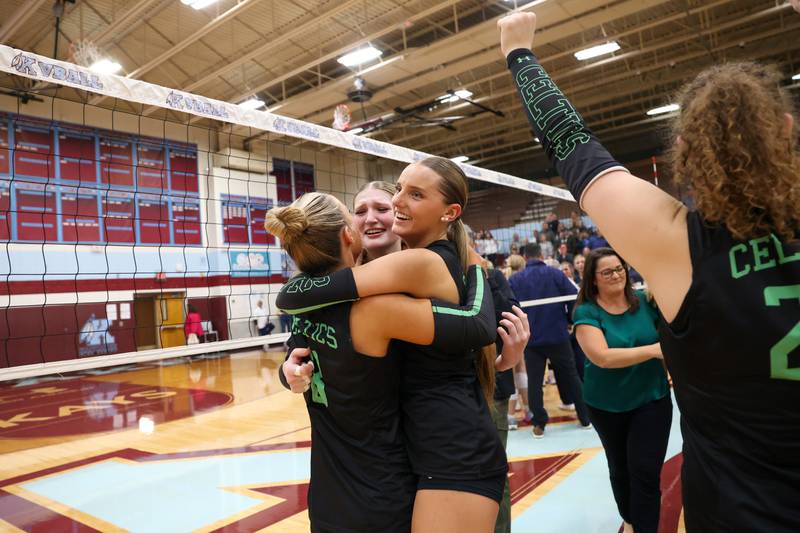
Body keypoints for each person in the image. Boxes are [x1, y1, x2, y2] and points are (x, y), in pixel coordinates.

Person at [499, 12, 799, 531]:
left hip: (741, 513)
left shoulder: (677, 245)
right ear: (789, 129)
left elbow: (571, 145)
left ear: (684, 151)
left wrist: (520, 55)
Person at [277, 157, 527, 532]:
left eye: (388, 202)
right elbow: (305, 343)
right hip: (396, 462)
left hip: (449, 447)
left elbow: (483, 330)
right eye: (361, 210)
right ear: (350, 231)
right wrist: (287, 371)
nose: (383, 211)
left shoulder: (424, 267)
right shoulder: (356, 285)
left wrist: (508, 357)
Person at [573, 248, 672, 533]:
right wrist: (653, 351)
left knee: (645, 471)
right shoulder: (586, 312)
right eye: (607, 272)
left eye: (620, 268)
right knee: (620, 467)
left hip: (651, 398)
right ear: (593, 280)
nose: (616, 275)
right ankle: (629, 518)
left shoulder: (645, 301)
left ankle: (643, 527)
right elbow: (602, 357)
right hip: (606, 404)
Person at [508, 243, 591, 437]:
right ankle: (585, 418)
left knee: (535, 382)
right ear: (541, 255)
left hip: (532, 339)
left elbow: (509, 305)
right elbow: (575, 296)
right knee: (572, 377)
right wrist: (571, 319)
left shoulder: (515, 280)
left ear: (525, 257)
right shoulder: (555, 274)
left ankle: (539, 425)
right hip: (558, 335)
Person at [353, 181, 402, 262]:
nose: (370, 219)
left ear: (401, 213)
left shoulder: (427, 263)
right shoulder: (341, 273)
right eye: (360, 212)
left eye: (382, 209)